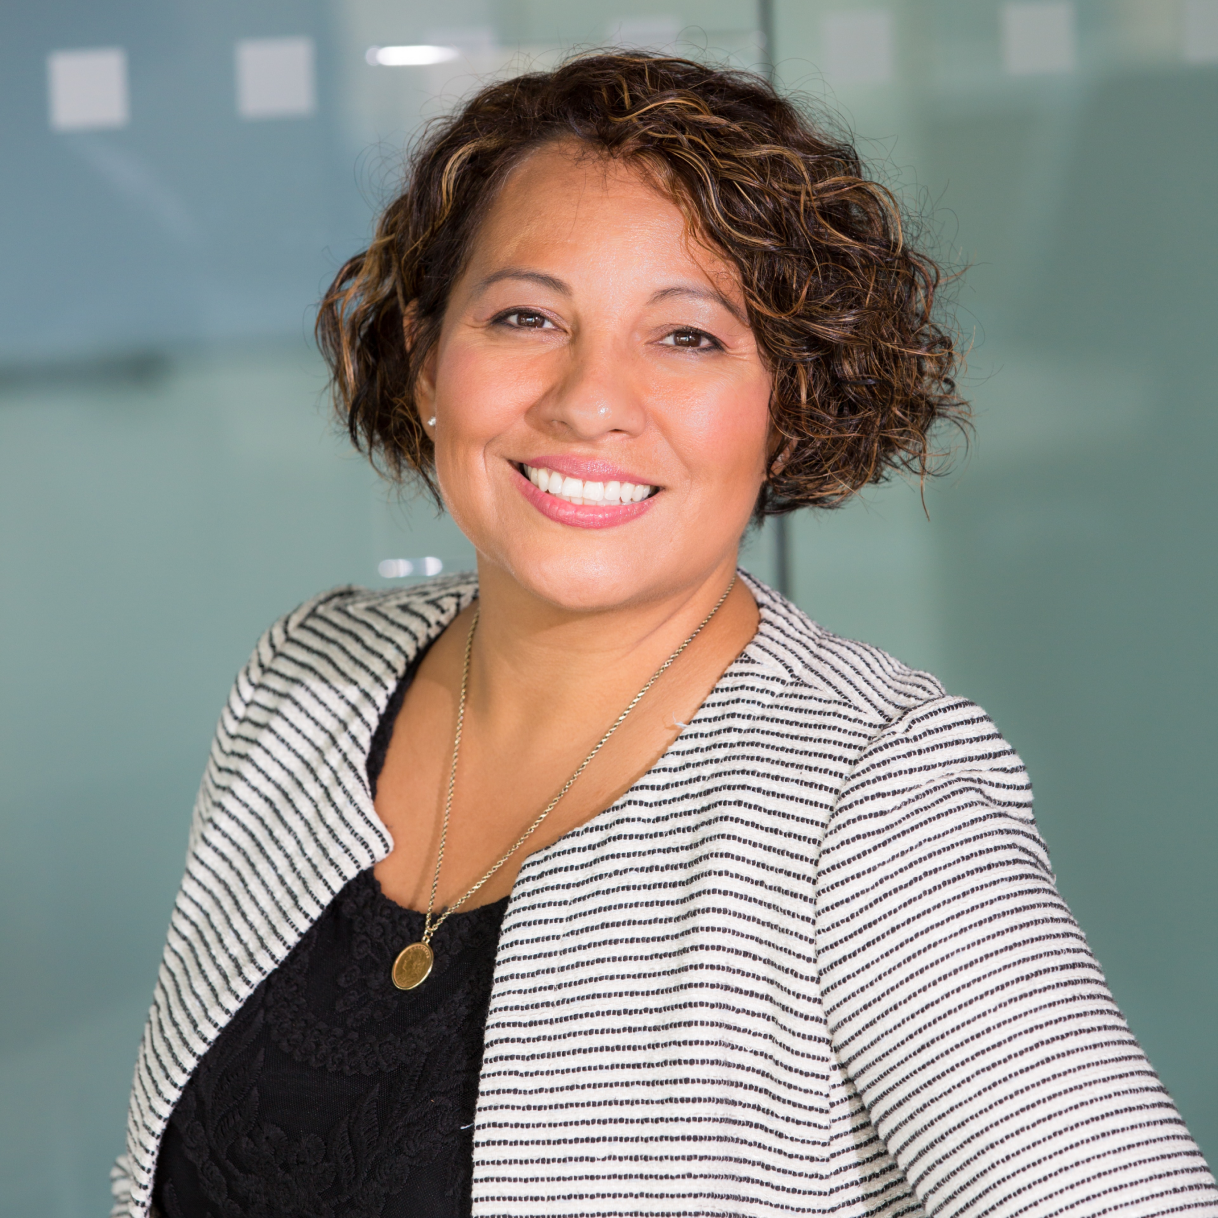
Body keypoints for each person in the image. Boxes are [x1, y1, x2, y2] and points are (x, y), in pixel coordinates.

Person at [113, 53, 1216, 1218]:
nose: (590, 399)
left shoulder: (874, 799)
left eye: (687, 336)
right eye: (526, 316)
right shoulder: (306, 681)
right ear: (428, 358)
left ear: (790, 401)